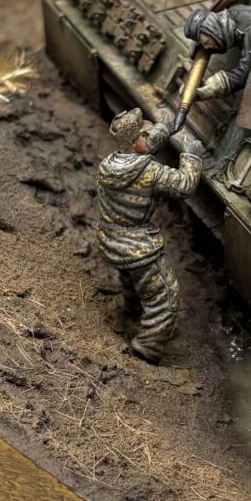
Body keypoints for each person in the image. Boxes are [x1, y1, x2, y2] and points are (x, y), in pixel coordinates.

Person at [96, 107, 203, 363]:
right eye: (145, 134)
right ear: (135, 141)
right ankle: (149, 346)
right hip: (138, 248)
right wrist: (191, 157)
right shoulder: (150, 172)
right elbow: (184, 185)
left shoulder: (107, 166)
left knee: (131, 278)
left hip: (111, 241)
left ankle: (132, 313)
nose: (147, 136)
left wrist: (163, 129)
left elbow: (140, 147)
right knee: (166, 295)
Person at [182, 1, 251, 102]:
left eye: (206, 42)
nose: (206, 47)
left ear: (212, 30)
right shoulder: (229, 17)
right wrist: (199, 46)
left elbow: (248, 72)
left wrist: (220, 84)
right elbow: (224, 39)